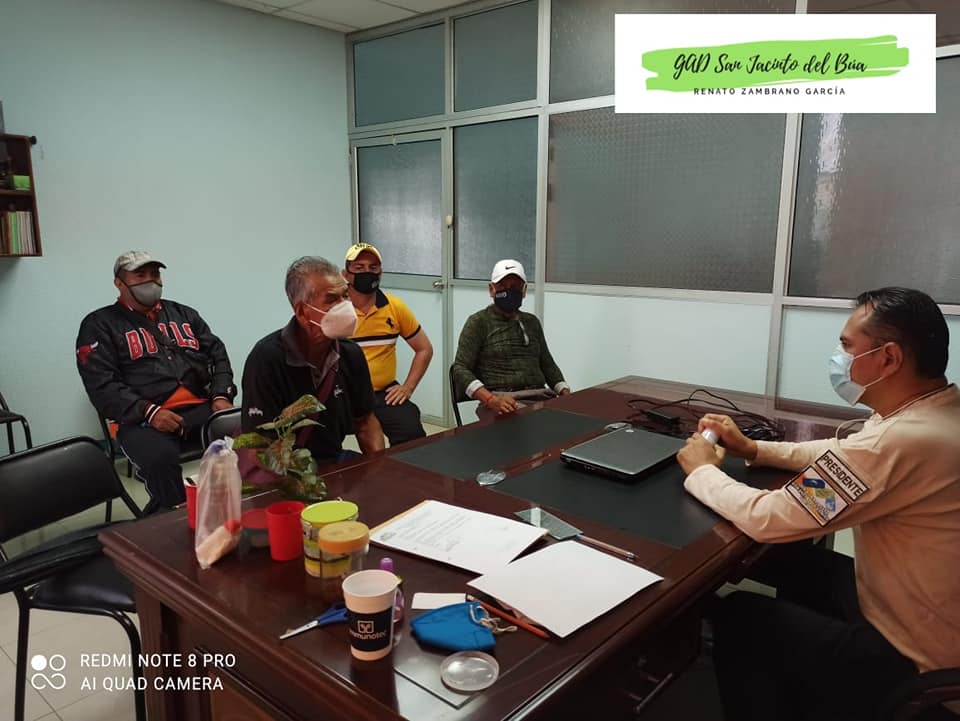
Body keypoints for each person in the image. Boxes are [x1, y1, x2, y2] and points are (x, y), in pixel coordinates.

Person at [675, 287, 960, 721]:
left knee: (741, 616)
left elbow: (768, 518)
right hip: (912, 610)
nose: (838, 357)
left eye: (847, 346)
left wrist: (701, 471)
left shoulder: (901, 441)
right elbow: (846, 454)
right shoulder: (935, 412)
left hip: (919, 665)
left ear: (889, 358)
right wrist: (754, 448)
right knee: (788, 563)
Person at [76, 251, 236, 512]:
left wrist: (221, 395)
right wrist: (149, 412)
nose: (150, 281)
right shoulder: (99, 324)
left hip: (201, 408)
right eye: (140, 275)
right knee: (160, 460)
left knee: (251, 432)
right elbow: (101, 383)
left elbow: (218, 355)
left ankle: (240, 504)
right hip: (141, 419)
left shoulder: (184, 314)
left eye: (155, 274)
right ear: (119, 283)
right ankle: (178, 514)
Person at [241, 256, 384, 465]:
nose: (345, 306)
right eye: (332, 300)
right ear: (302, 312)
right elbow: (259, 447)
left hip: (333, 460)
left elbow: (365, 423)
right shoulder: (266, 359)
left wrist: (380, 468)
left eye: (345, 296)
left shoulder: (350, 354)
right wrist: (303, 481)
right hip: (287, 469)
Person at [452, 259, 570, 419]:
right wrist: (490, 399)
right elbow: (460, 369)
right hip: (501, 402)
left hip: (540, 398)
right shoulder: (479, 322)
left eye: (515, 287)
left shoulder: (532, 322)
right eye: (502, 286)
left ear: (524, 290)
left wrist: (566, 393)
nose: (509, 291)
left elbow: (547, 364)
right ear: (491, 289)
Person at [343, 242, 433, 446]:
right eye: (359, 267)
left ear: (381, 272)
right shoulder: (335, 308)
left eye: (373, 267)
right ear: (346, 274)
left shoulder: (395, 307)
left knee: (411, 431)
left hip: (383, 394)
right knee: (322, 437)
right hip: (344, 395)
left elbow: (424, 349)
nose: (367, 272)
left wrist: (408, 387)